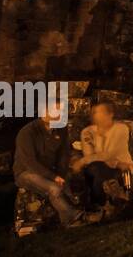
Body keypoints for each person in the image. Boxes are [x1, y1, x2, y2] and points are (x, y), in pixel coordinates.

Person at [13, 97, 83, 227]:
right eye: (56, 110)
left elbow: (64, 154)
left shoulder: (61, 129)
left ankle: (69, 219)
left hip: (50, 170)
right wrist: (53, 177)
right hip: (26, 172)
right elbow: (29, 162)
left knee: (69, 182)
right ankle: (73, 216)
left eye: (61, 111)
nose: (60, 114)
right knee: (54, 188)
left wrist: (60, 174)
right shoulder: (27, 132)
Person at [72, 101, 133, 207]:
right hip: (99, 167)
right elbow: (89, 154)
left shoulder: (121, 129)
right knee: (96, 168)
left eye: (100, 112)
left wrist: (82, 161)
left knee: (97, 171)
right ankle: (110, 199)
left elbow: (111, 154)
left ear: (110, 114)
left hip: (121, 167)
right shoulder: (87, 132)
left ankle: (99, 205)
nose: (96, 115)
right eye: (95, 112)